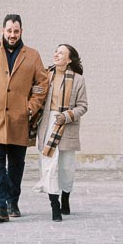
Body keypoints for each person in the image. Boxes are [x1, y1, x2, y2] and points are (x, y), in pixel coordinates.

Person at [0, 14, 48, 223]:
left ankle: (13, 201)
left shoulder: (32, 55)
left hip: (19, 119)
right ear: (2, 31)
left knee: (16, 164)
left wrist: (30, 107)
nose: (12, 35)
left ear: (21, 32)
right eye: (9, 31)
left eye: (16, 31)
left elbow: (42, 84)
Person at [36, 44, 88, 221]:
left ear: (70, 59)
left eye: (61, 53)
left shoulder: (78, 79)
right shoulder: (44, 75)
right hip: (47, 124)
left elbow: (83, 106)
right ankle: (54, 206)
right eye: (56, 51)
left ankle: (65, 196)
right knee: (49, 166)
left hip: (66, 124)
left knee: (66, 168)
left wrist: (67, 115)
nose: (56, 54)